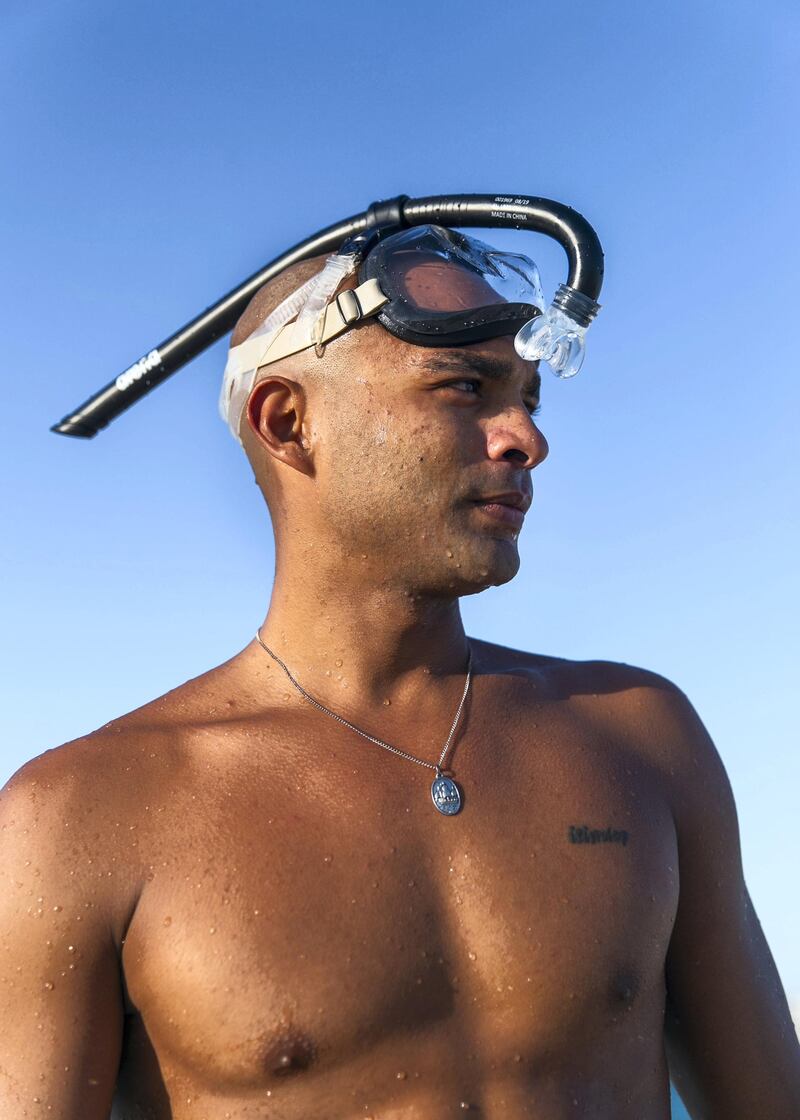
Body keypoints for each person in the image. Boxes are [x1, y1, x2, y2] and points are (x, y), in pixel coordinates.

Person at [2, 233, 799, 1120]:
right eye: (464, 387)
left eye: (528, 398)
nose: (527, 439)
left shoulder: (641, 735)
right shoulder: (77, 814)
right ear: (289, 422)